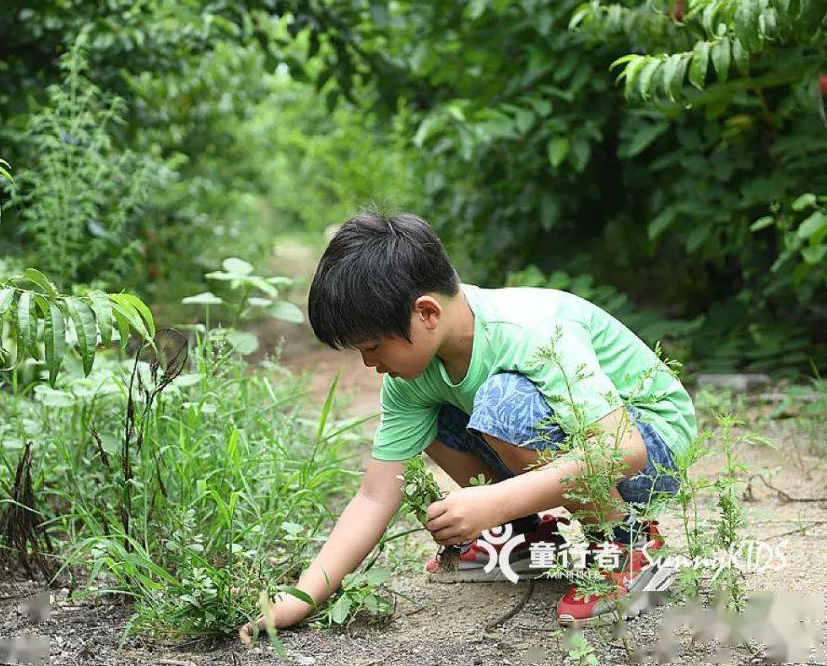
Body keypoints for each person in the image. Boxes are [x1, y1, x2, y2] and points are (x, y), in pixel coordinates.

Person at [239, 211, 696, 638]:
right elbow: (375, 494)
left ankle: (626, 546)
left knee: (502, 402)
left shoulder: (528, 331)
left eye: (373, 347)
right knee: (437, 415)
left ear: (427, 313)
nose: (369, 364)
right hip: (588, 453)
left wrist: (493, 502)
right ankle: (524, 535)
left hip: (653, 449)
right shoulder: (410, 378)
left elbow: (625, 449)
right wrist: (301, 598)